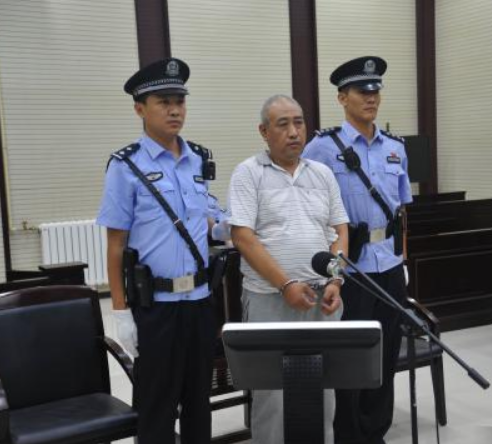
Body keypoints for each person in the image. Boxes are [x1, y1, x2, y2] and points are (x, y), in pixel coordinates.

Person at [97, 58, 228, 444]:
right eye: (164, 102)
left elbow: (205, 218)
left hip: (200, 301)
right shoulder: (125, 166)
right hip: (156, 307)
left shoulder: (198, 159)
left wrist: (225, 227)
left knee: (199, 401)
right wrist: (120, 311)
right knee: (157, 405)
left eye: (180, 101)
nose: (175, 110)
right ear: (140, 108)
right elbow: (115, 244)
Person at [303, 56, 413, 444]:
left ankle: (376, 432)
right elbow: (309, 210)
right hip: (350, 270)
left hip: (389, 265)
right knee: (350, 360)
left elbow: (402, 211)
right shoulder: (321, 148)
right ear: (342, 97)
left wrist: (403, 260)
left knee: (386, 355)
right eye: (362, 91)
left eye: (375, 91)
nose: (371, 98)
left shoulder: (395, 148)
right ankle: (349, 436)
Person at [227, 94, 349, 443]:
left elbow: (340, 230)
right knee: (273, 397)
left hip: (322, 298)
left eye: (299, 122)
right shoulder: (249, 173)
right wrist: (285, 284)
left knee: (324, 390)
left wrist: (336, 280)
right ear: (264, 131)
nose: (294, 132)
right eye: (283, 124)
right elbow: (243, 237)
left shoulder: (322, 173)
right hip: (269, 298)